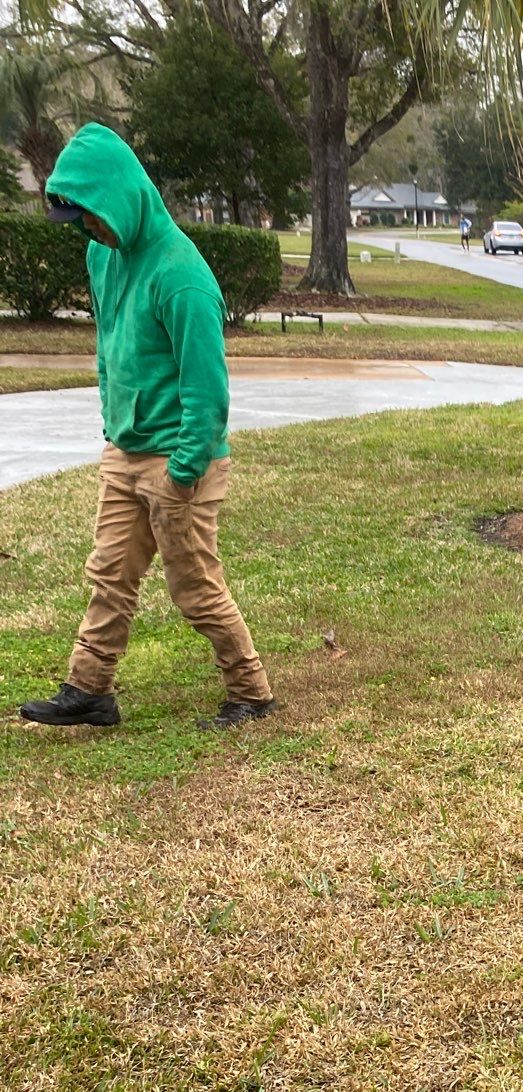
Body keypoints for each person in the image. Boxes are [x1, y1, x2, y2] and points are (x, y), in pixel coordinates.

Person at [19, 124, 275, 733]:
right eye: (81, 219)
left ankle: (252, 691)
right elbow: (109, 348)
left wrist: (182, 472)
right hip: (125, 450)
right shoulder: (101, 255)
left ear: (124, 196)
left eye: (95, 215)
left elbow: (208, 393)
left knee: (194, 587)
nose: (90, 229)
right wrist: (114, 427)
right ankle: (89, 690)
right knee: (108, 574)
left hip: (180, 462)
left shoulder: (182, 276)